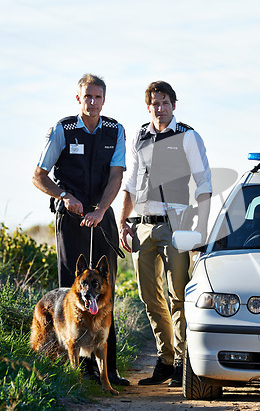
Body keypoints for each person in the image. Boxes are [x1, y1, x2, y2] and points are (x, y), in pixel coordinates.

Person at [33, 73, 129, 386]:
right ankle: (77, 372)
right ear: (79, 99)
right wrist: (64, 196)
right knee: (72, 291)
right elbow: (39, 175)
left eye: (97, 97)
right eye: (87, 97)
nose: (92, 102)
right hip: (69, 218)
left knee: (104, 292)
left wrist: (101, 209)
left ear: (104, 99)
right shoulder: (62, 129)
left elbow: (116, 176)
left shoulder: (115, 130)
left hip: (102, 217)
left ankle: (108, 371)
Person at [119, 80, 211, 387]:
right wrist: (123, 221)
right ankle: (165, 359)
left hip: (177, 222)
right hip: (142, 223)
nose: (160, 108)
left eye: (165, 102)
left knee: (179, 294)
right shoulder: (140, 136)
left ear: (174, 104)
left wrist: (200, 227)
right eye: (155, 103)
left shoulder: (187, 136)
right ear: (148, 107)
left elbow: (204, 183)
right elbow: (130, 183)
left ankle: (184, 362)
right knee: (149, 296)